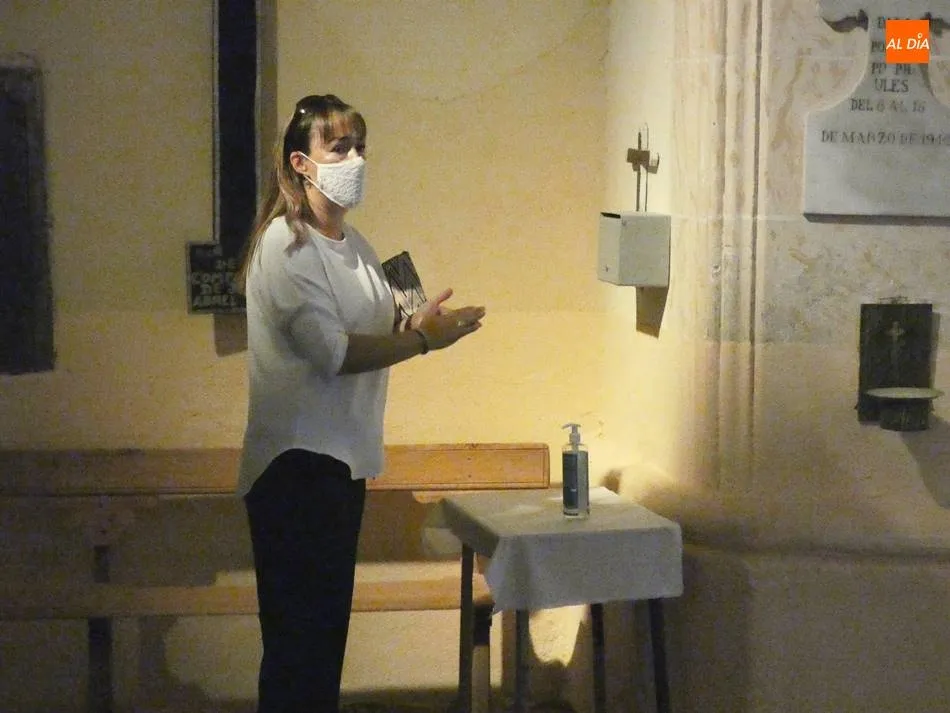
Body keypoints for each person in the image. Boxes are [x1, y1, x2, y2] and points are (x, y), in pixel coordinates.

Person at [235, 93, 485, 713]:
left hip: (341, 462)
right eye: (339, 148)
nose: (355, 160)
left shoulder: (357, 244)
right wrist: (423, 342)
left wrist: (418, 321)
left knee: (323, 647)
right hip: (295, 467)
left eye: (360, 147)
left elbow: (386, 321)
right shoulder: (285, 246)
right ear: (301, 163)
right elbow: (334, 352)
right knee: (297, 651)